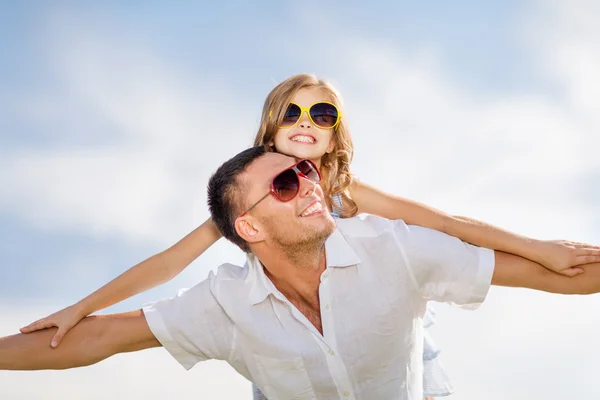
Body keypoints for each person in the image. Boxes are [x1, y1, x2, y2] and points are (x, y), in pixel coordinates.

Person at [19, 74, 600, 399]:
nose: (305, 125)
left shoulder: (347, 193)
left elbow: (446, 224)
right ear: (270, 125)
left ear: (335, 134)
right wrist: (81, 307)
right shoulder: (246, 192)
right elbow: (168, 264)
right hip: (290, 347)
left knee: (413, 360)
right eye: (292, 113)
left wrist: (538, 247)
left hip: (378, 319)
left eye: (323, 116)